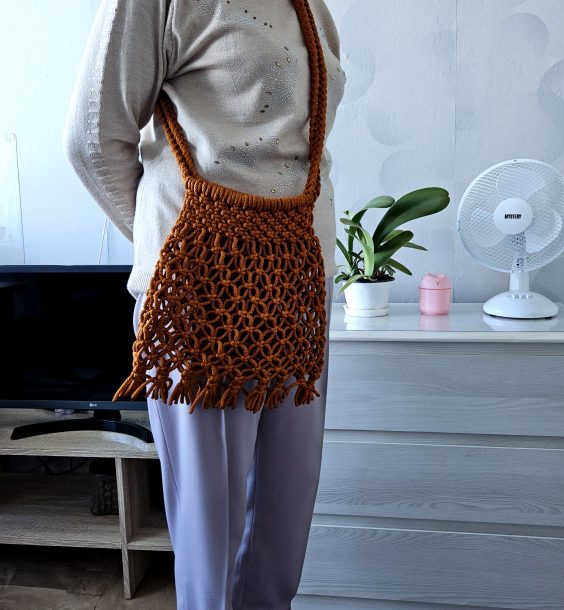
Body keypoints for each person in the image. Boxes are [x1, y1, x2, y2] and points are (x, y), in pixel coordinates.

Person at [63, 1, 346, 608]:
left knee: (285, 515)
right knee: (212, 531)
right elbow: (92, 138)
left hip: (301, 287)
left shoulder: (310, 6)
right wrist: (176, 249)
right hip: (203, 293)